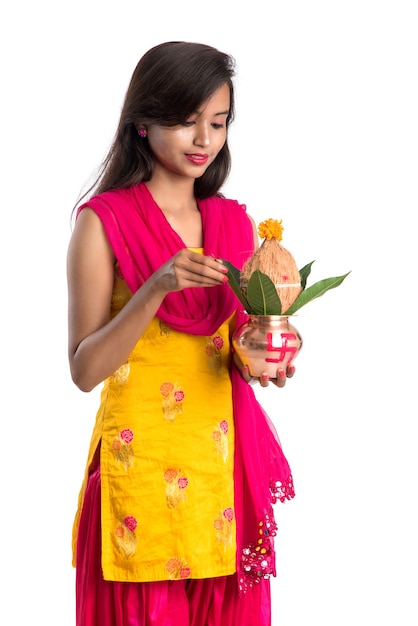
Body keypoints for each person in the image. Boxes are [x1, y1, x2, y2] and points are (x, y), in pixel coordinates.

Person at [67, 41, 295, 626]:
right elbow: (84, 371)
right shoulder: (102, 223)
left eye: (216, 123)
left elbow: (234, 348)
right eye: (185, 121)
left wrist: (268, 357)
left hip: (219, 485)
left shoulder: (232, 224)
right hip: (138, 483)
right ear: (142, 122)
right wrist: (154, 287)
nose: (203, 141)